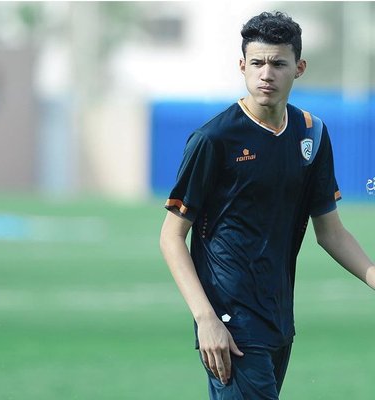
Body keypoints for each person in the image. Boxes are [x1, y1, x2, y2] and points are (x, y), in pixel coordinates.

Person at [159, 11, 374, 400]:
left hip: (278, 319)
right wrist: (205, 319)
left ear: (299, 68)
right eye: (257, 63)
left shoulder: (312, 133)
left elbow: (331, 232)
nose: (266, 74)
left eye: (278, 64)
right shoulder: (214, 139)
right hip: (230, 322)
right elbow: (171, 237)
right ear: (242, 66)